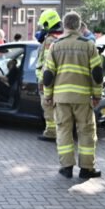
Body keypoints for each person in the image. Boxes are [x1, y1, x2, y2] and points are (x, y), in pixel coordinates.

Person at [43, 12, 103, 179]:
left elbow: (48, 74)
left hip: (61, 98)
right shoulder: (89, 45)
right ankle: (86, 169)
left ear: (64, 26)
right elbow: (97, 73)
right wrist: (97, 95)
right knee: (86, 132)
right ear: (79, 25)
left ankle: (67, 167)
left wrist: (48, 95)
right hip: (82, 98)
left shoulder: (56, 45)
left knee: (63, 131)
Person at [36, 10, 63, 142]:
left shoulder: (50, 40)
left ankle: (51, 132)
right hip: (60, 79)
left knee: (47, 105)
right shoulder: (62, 37)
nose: (42, 28)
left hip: (48, 80)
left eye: (44, 25)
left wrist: (43, 81)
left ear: (48, 24)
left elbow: (47, 64)